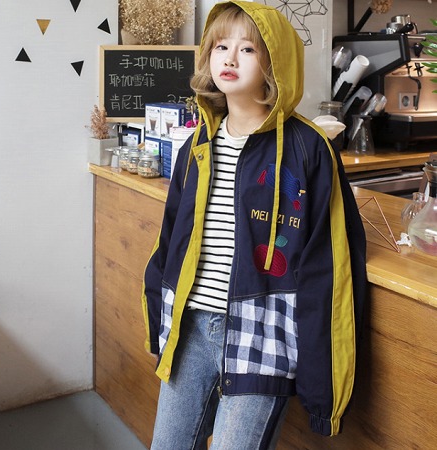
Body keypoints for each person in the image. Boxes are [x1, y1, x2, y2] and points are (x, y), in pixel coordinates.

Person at [141, 2, 367, 449]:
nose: (229, 58)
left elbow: (331, 269)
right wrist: (158, 320)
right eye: (220, 46)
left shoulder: (309, 149)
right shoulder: (196, 146)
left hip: (262, 338)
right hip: (190, 330)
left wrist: (324, 390)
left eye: (247, 49)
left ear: (273, 63)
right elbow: (169, 242)